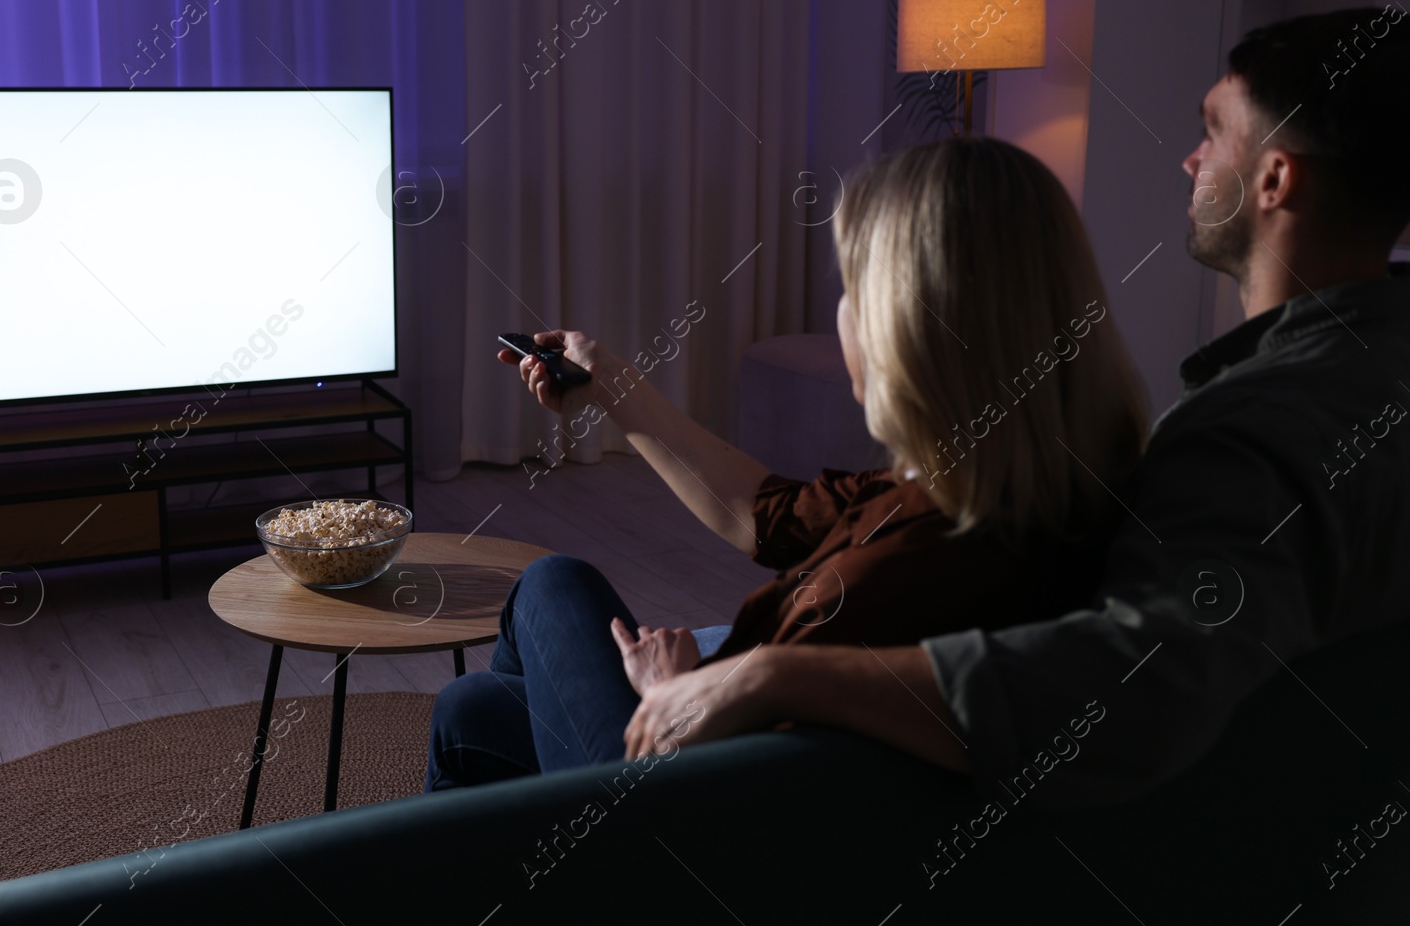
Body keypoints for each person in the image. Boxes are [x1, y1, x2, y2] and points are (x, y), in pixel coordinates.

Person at [621, 5, 1410, 806]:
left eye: (1214, 132)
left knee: (545, 614)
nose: (1189, 159)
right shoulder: (1359, 382)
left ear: (1275, 177)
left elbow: (1138, 686)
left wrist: (777, 673)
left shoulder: (1244, 439)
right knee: (494, 695)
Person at [425, 135, 1151, 790]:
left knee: (551, 583)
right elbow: (765, 513)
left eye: (850, 289)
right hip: (709, 763)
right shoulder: (995, 487)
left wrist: (666, 687)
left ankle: (536, 836)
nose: (840, 312)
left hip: (670, 816)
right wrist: (609, 379)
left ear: (910, 328)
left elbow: (735, 767)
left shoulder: (906, 570)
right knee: (468, 710)